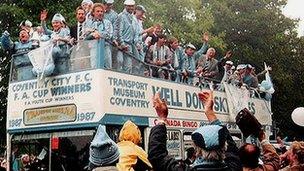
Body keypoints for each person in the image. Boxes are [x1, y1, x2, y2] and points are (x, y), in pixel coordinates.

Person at [148, 91, 241, 171]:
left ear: (197, 151)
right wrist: (210, 112)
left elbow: (157, 156)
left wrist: (162, 118)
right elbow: (232, 148)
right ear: (224, 148)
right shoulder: (234, 167)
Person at [113, 0, 140, 73]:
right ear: (125, 6)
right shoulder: (121, 16)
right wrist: (122, 43)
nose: (131, 7)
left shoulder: (134, 18)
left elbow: (136, 32)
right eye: (129, 6)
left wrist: (137, 43)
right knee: (119, 62)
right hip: (121, 44)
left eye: (132, 6)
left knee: (129, 66)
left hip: (130, 45)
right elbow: (119, 31)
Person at [84, 3, 113, 69]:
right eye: (98, 11)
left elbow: (109, 35)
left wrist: (98, 34)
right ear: (93, 13)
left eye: (101, 11)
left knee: (108, 68)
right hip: (93, 48)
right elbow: (85, 36)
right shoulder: (88, 23)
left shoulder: (107, 23)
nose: (100, 13)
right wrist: (92, 35)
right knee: (94, 67)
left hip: (105, 47)